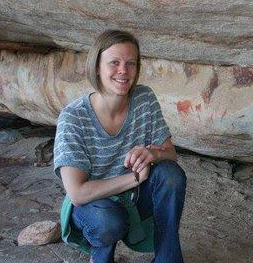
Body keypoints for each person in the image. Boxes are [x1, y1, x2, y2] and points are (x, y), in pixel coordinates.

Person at [53, 30, 187, 263]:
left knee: (170, 175)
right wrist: (134, 178)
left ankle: (168, 259)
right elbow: (77, 193)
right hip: (93, 206)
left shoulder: (144, 99)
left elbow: (171, 155)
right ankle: (101, 257)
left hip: (133, 198)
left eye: (130, 63)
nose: (123, 71)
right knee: (108, 221)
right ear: (97, 67)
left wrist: (153, 153)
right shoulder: (73, 117)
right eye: (114, 62)